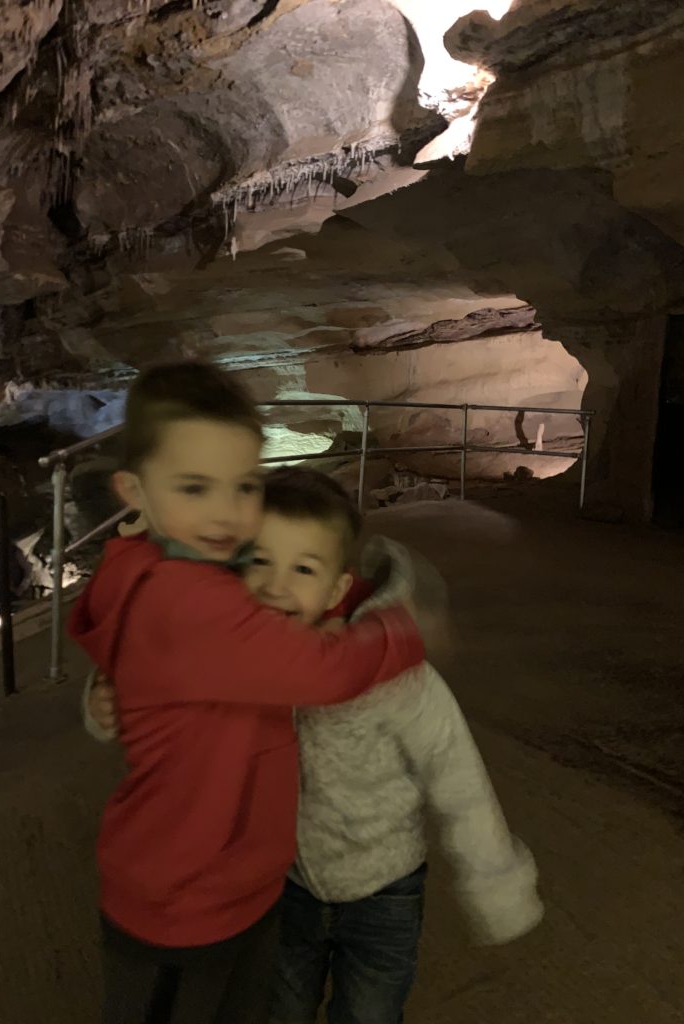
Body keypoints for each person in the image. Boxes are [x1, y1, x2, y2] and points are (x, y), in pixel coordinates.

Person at [86, 466, 543, 1024]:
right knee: (283, 1011)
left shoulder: (397, 679)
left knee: (369, 1013)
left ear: (337, 587)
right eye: (259, 561)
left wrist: (495, 878)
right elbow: (162, 689)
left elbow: (457, 776)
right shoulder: (235, 658)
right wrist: (103, 702)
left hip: (384, 892)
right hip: (287, 888)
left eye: (303, 568)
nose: (277, 585)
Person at [67, 363, 424, 1024]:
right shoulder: (187, 598)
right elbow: (327, 671)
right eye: (195, 487)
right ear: (133, 492)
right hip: (186, 906)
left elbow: (151, 656)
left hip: (220, 885)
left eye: (246, 486)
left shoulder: (163, 563)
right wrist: (403, 625)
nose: (228, 515)